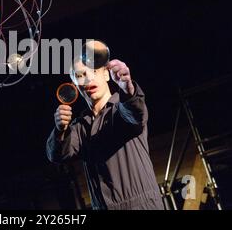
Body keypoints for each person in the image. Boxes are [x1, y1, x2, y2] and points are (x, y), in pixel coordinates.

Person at [46, 55, 164, 210]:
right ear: (74, 84)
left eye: (93, 71)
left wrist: (128, 89)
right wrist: (60, 130)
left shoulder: (120, 110)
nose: (88, 79)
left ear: (106, 74)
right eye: (80, 75)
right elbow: (57, 154)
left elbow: (135, 113)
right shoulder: (80, 127)